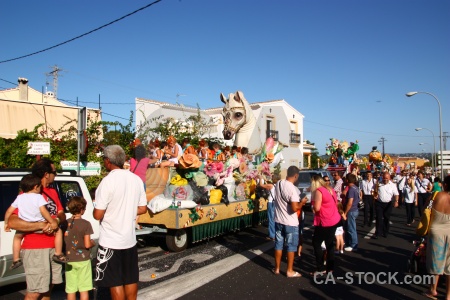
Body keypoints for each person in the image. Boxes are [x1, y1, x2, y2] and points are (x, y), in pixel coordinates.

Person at [7, 158, 66, 300]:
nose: (55, 175)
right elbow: (13, 222)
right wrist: (41, 225)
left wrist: (56, 221)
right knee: (35, 292)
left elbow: (61, 213)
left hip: (53, 249)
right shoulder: (28, 194)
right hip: (35, 249)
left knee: (48, 289)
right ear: (46, 174)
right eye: (54, 172)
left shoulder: (52, 192)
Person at [94, 145, 148, 299]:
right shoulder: (135, 179)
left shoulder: (107, 182)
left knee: (115, 281)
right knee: (130, 278)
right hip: (129, 241)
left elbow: (98, 215)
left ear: (107, 161)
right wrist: (128, 209)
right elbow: (142, 208)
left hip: (111, 242)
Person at [4, 174, 67, 270]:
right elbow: (43, 211)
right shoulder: (38, 197)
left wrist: (6, 223)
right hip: (41, 226)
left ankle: (16, 259)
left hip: (25, 226)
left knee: (17, 238)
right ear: (36, 187)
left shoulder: (20, 197)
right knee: (58, 232)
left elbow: (9, 211)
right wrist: (51, 221)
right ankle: (58, 254)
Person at [272, 166, 307, 277]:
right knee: (291, 246)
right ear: (296, 175)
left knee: (278, 244)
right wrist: (302, 203)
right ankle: (289, 271)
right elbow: (294, 208)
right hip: (290, 222)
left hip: (278, 220)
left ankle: (277, 268)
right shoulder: (292, 189)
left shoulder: (278, 183)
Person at [424, 175, 450, 300]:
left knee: (436, 260)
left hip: (436, 230)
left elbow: (427, 208)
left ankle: (433, 289)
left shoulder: (438, 195)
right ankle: (448, 295)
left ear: (444, 184)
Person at [64, 196, 96, 300]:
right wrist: (93, 243)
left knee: (71, 289)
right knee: (84, 289)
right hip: (83, 260)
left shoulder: (65, 223)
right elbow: (87, 244)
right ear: (81, 210)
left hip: (69, 259)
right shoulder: (86, 224)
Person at [311, 174, 341, 275]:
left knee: (316, 243)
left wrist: (313, 207)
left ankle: (320, 268)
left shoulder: (319, 191)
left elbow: (317, 208)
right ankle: (330, 268)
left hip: (324, 220)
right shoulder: (329, 189)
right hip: (333, 219)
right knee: (329, 244)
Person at [373, 172, 399, 239]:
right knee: (378, 218)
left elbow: (396, 194)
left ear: (389, 178)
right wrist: (374, 195)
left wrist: (396, 201)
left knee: (386, 218)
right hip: (379, 203)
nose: (385, 180)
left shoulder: (392, 185)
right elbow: (373, 191)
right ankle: (378, 233)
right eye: (384, 178)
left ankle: (385, 232)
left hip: (388, 204)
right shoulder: (378, 184)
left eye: (387, 178)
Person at [260, 173, 280, 241]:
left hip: (271, 203)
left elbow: (261, 185)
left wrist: (260, 178)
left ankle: (272, 235)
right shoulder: (279, 185)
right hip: (277, 203)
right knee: (276, 219)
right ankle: (277, 234)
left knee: (271, 219)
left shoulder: (271, 186)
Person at [343, 173, 360, 252]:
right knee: (348, 227)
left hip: (351, 211)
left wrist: (345, 212)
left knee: (351, 228)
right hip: (355, 209)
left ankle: (353, 244)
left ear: (347, 180)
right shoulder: (356, 188)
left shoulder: (351, 190)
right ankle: (349, 242)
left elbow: (350, 203)